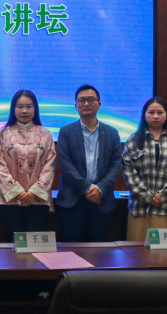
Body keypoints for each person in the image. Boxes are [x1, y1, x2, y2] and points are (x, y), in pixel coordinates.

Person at [56, 85, 122, 242]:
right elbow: (65, 164)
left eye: (91, 100)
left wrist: (99, 189)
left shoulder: (112, 133)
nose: (86, 104)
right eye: (82, 100)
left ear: (99, 104)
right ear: (76, 106)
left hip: (101, 200)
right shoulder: (66, 132)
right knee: (72, 248)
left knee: (99, 250)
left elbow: (116, 164)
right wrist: (87, 188)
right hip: (73, 201)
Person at [123, 97, 167, 241]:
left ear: (166, 115)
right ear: (144, 115)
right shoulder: (133, 140)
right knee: (138, 251)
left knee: (165, 252)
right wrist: (147, 196)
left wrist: (163, 195)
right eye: (151, 112)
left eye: (160, 112)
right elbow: (129, 173)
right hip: (140, 208)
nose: (155, 116)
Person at [0, 90, 56, 239]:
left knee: (36, 246)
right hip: (10, 201)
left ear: (35, 108)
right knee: (14, 245)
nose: (24, 111)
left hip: (38, 200)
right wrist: (17, 191)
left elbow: (50, 165)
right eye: (20, 106)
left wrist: (34, 191)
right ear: (13, 108)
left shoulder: (46, 134)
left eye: (29, 106)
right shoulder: (3, 134)